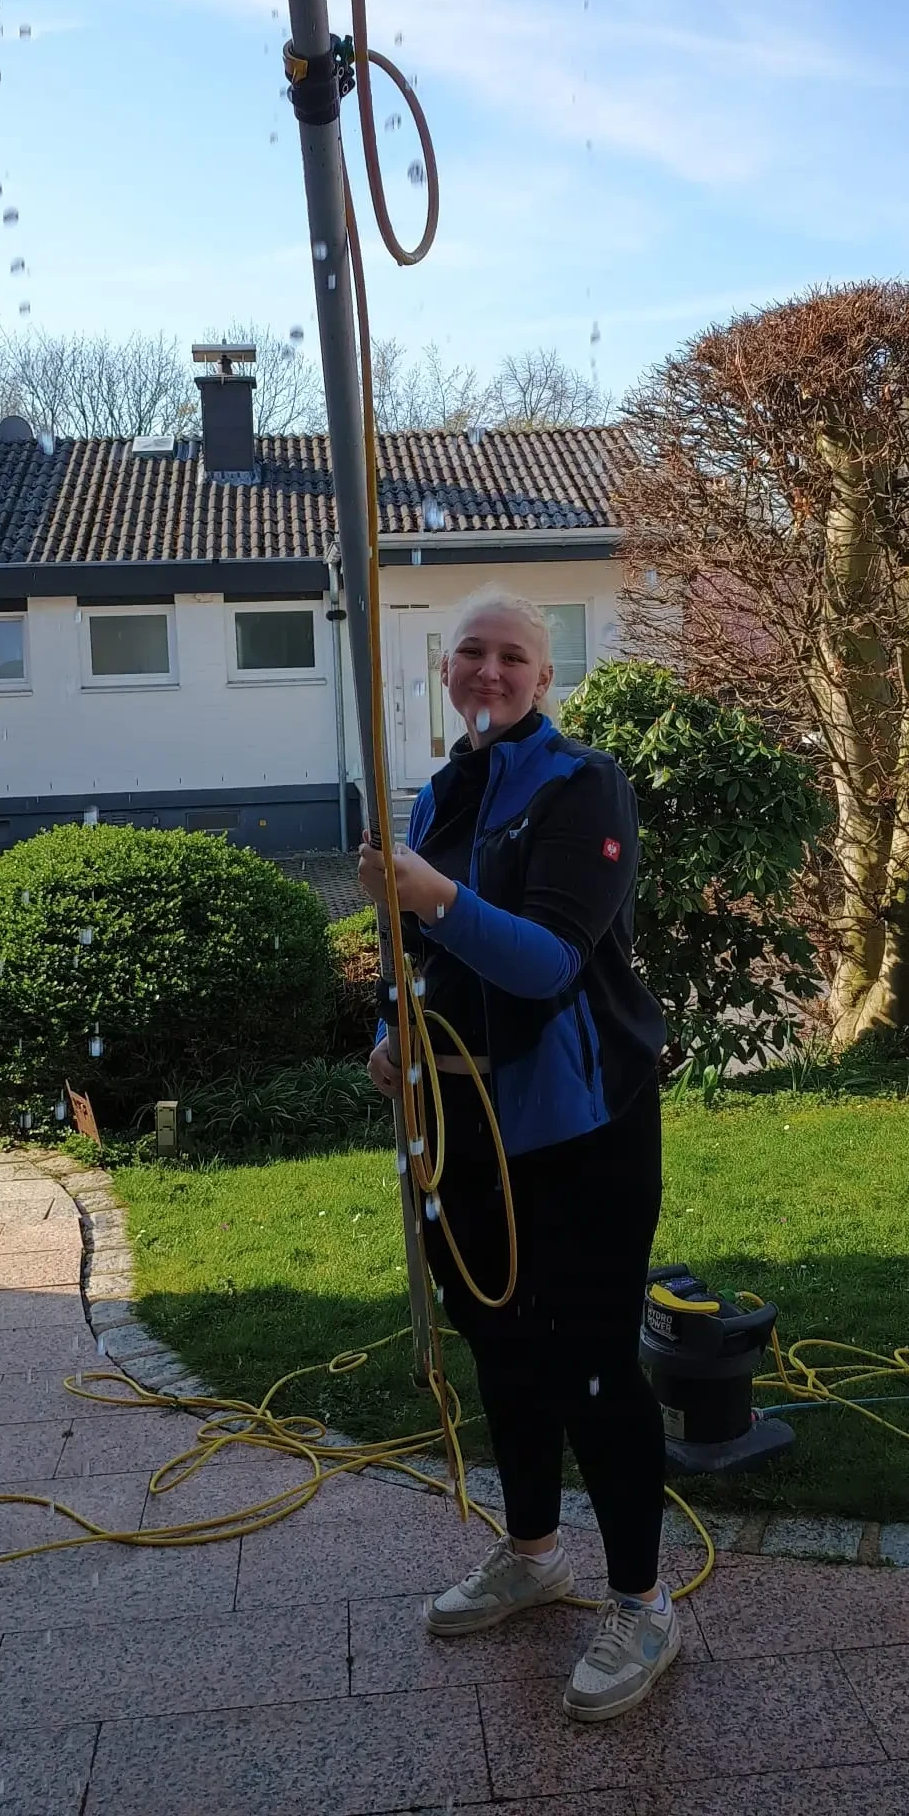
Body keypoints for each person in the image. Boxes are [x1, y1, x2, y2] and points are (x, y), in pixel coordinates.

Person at [358, 586, 671, 1724]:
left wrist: (436, 895)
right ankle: (534, 1551)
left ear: (543, 678)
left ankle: (642, 1600)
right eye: (471, 653)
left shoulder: (585, 785)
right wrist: (392, 1030)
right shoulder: (443, 790)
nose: (489, 671)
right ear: (446, 670)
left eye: (513, 657)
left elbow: (546, 963)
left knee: (592, 1361)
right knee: (501, 1341)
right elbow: (419, 955)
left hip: (581, 1124)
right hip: (461, 1121)